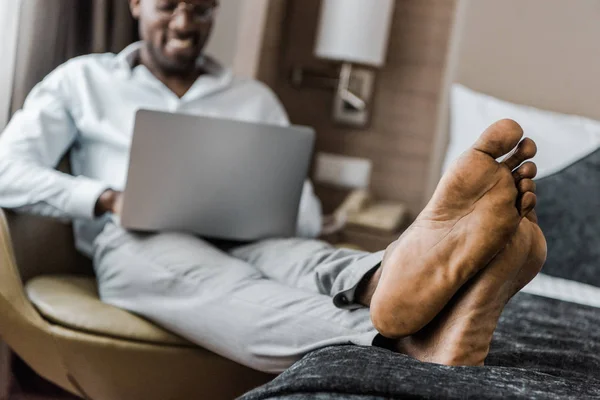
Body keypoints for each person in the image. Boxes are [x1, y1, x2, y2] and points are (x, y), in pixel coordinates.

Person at [0, 0, 546, 373]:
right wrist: (105, 198)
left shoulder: (254, 99)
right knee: (226, 286)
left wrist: (273, 204)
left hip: (254, 234)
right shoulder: (82, 81)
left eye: (202, 8)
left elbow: (305, 217)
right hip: (136, 238)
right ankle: (407, 334)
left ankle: (384, 278)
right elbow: (7, 170)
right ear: (137, 4)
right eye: (170, 5)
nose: (186, 22)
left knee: (308, 258)